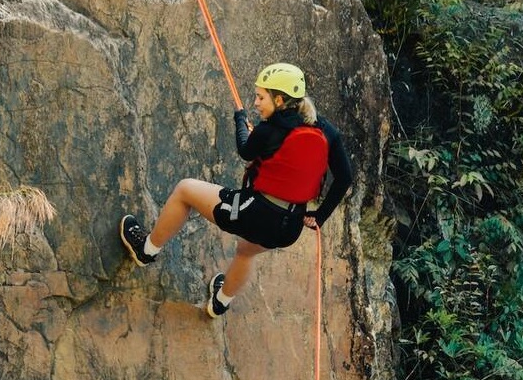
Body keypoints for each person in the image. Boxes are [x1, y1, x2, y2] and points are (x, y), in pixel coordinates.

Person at [119, 62, 352, 317]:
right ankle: (220, 302)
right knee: (247, 250)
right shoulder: (324, 129)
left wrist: (240, 120)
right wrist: (320, 216)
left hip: (254, 213)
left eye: (261, 97)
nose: (255, 102)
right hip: (289, 226)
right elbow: (344, 177)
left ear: (280, 99)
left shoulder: (268, 128)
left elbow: (245, 149)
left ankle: (146, 250)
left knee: (185, 190)